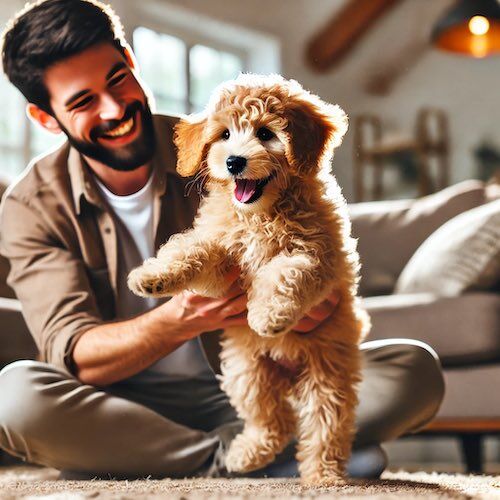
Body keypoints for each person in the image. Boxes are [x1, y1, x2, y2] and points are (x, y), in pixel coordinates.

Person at [0, 0, 444, 480]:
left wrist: (308, 306)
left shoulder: (210, 138)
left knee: (415, 370)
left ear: (130, 61)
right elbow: (75, 354)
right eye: (83, 101)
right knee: (15, 398)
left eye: (116, 79)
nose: (114, 109)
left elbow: (316, 272)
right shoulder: (31, 205)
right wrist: (180, 318)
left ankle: (225, 453)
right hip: (121, 403)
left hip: (251, 380)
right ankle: (246, 462)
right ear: (46, 118)